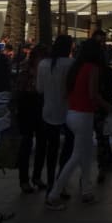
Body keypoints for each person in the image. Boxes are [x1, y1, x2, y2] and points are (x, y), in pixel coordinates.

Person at [46, 39, 112, 210]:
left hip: (72, 114)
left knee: (85, 154)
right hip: (84, 115)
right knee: (76, 156)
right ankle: (54, 194)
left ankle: (87, 191)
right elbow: (93, 94)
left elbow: (66, 92)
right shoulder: (93, 68)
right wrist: (108, 106)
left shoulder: (76, 67)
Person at [37, 34, 74, 195]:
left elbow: (39, 89)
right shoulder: (71, 64)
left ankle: (51, 183)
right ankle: (61, 181)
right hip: (68, 111)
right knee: (68, 149)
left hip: (49, 110)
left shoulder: (43, 64)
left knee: (51, 149)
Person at [14, 44, 48, 193]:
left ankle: (37, 176)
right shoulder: (25, 69)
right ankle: (24, 180)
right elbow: (19, 89)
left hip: (41, 105)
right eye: (42, 57)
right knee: (26, 145)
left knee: (42, 144)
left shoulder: (46, 69)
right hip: (27, 105)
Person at [91, 30, 112, 183]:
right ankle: (103, 165)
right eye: (100, 42)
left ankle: (107, 162)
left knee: (104, 135)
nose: (103, 45)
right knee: (102, 136)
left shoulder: (99, 64)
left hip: (101, 104)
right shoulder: (97, 67)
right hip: (98, 105)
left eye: (104, 41)